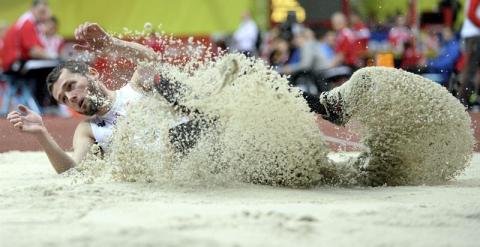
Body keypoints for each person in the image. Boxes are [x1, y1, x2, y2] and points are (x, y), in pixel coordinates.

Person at [6, 22, 198, 174]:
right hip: (169, 173)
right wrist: (42, 133)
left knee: (163, 80)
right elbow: (73, 171)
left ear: (93, 73)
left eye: (70, 86)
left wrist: (111, 44)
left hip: (196, 142)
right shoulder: (88, 130)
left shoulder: (136, 87)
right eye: (63, 99)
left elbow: (150, 59)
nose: (70, 97)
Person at [459, 0, 480, 108]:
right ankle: (462, 102)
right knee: (470, 70)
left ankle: (465, 100)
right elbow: (471, 14)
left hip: (473, 36)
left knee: (471, 70)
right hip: (474, 36)